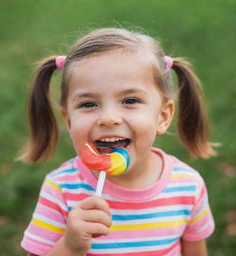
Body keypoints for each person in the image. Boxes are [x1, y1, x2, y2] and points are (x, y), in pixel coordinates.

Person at [20, 28, 216, 256]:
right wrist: (70, 247)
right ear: (69, 120)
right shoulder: (62, 189)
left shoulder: (188, 186)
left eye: (130, 100)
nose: (108, 118)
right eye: (88, 104)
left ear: (162, 116)